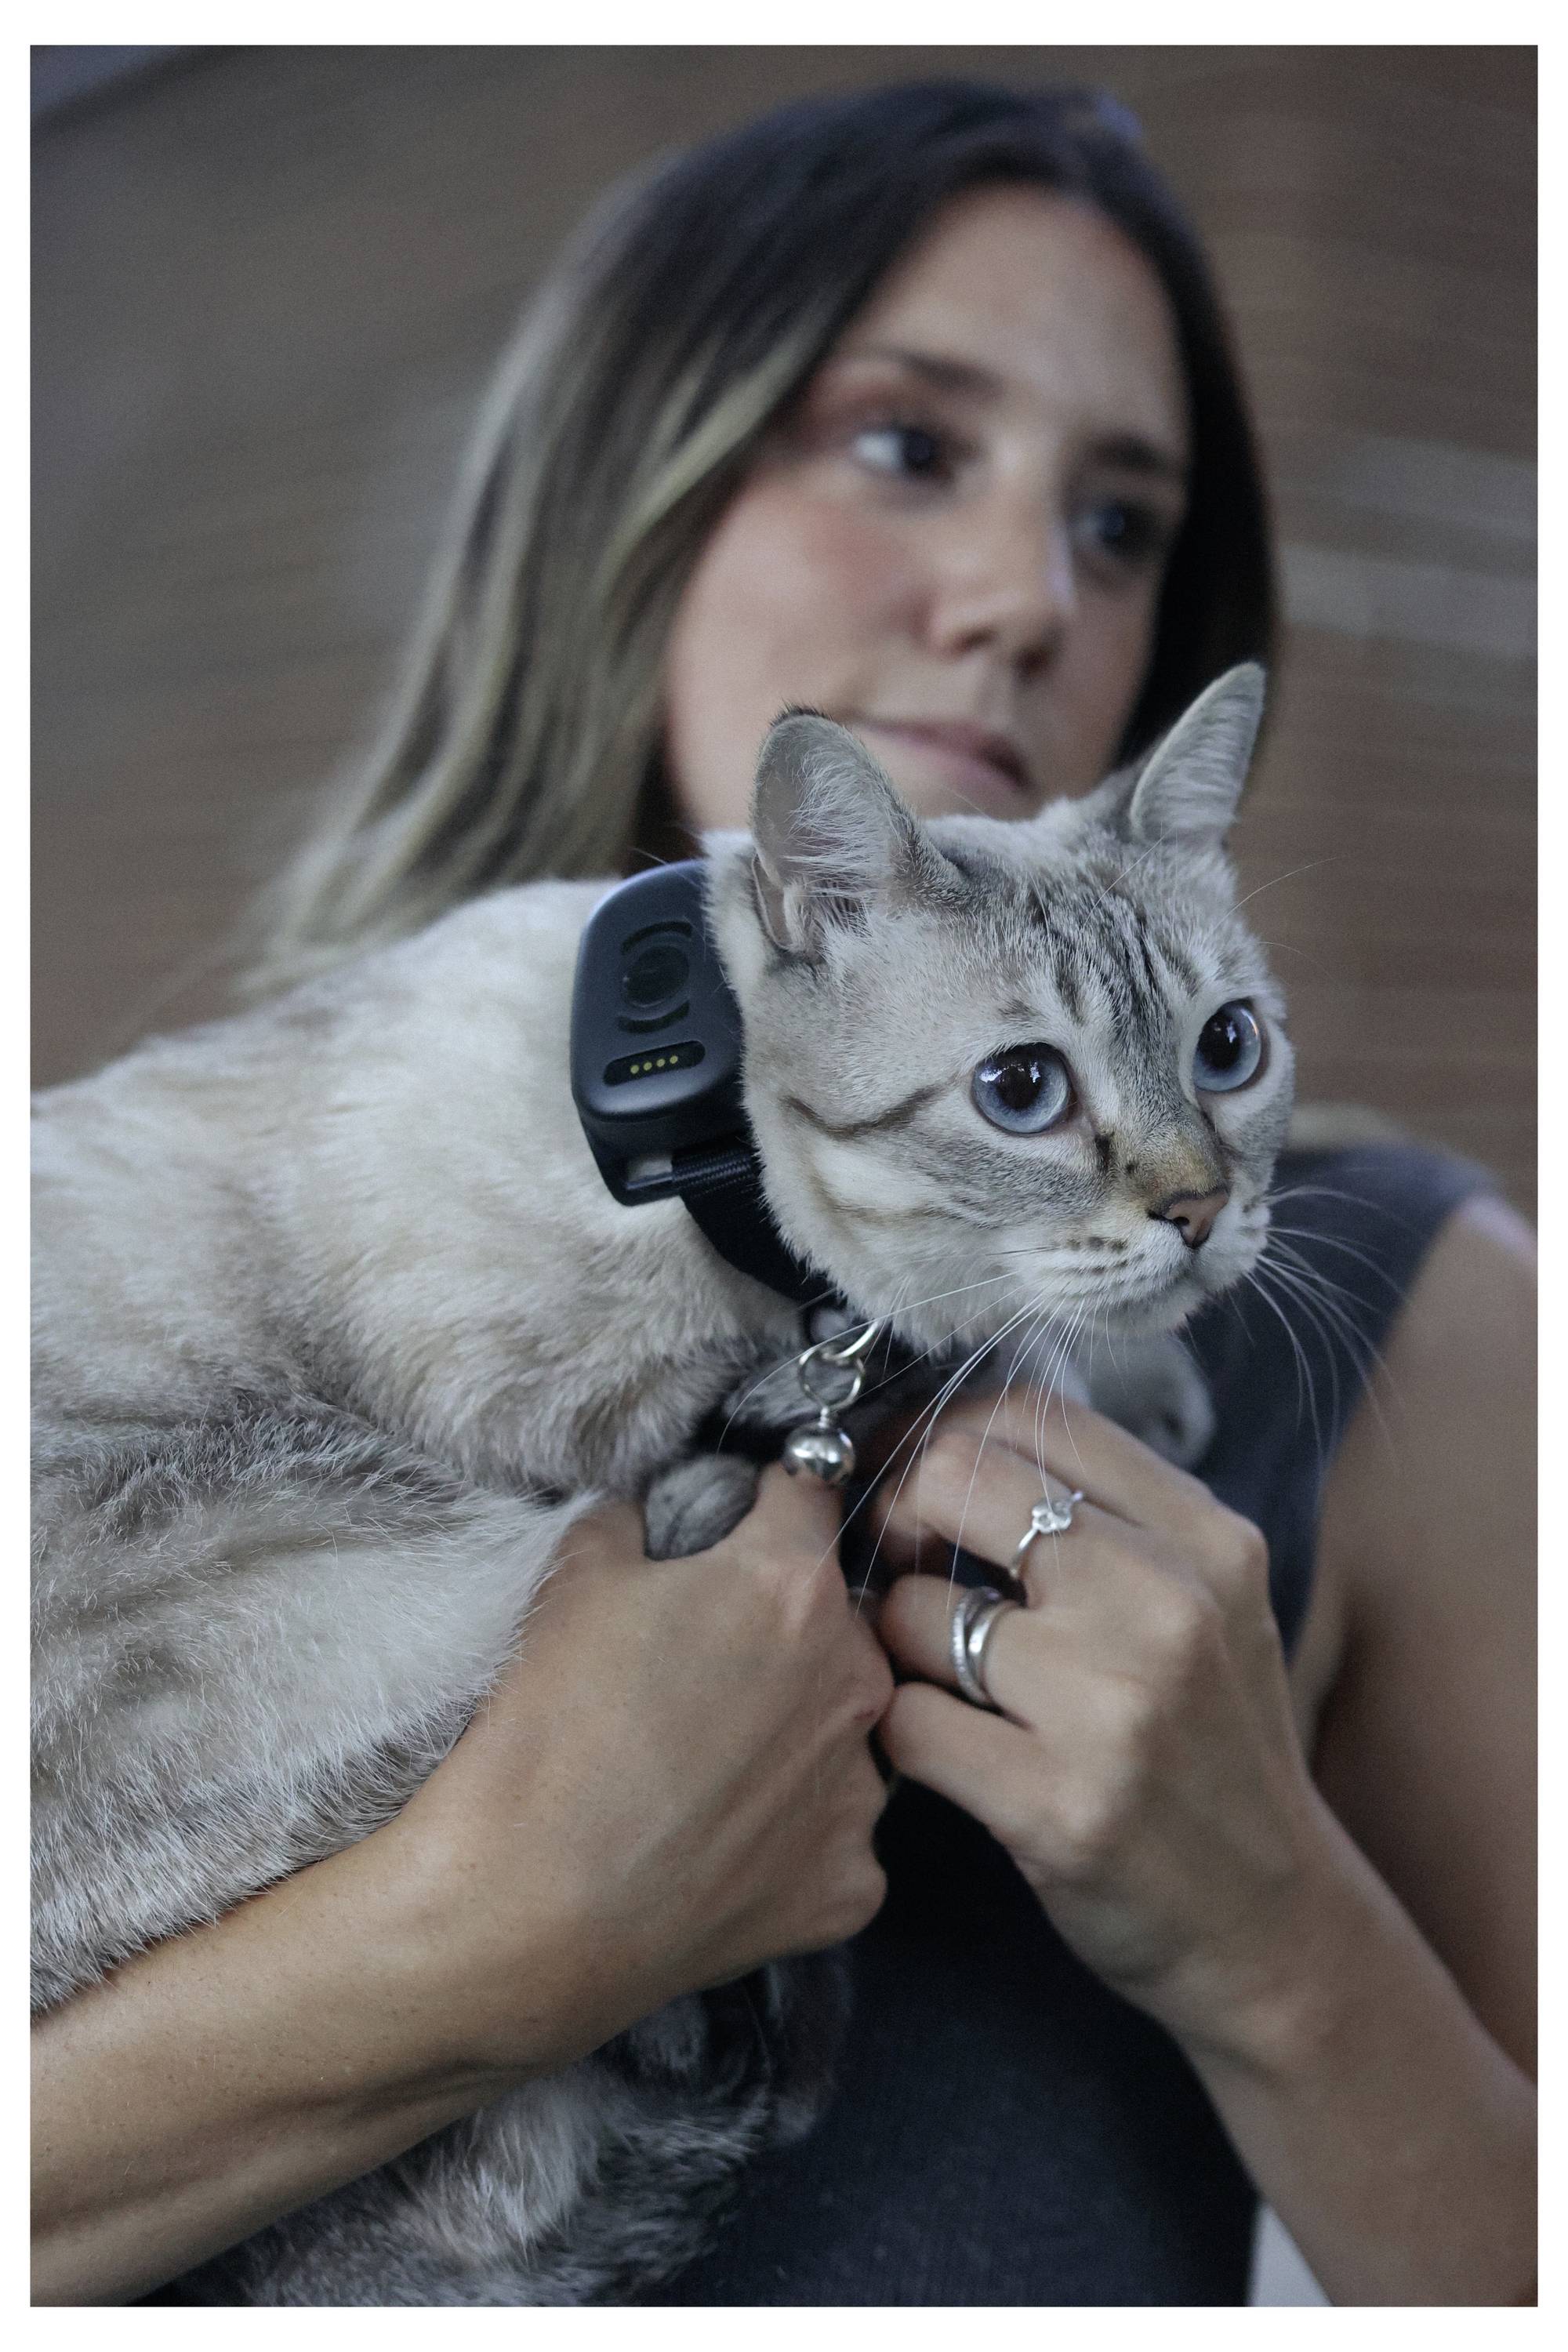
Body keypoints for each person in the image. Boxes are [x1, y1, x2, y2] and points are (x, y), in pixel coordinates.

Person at [31, 82, 1534, 2307]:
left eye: (1122, 527)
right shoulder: (250, 1190)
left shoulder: (1404, 1311)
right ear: (632, 484)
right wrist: (503, 1926)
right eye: (910, 447)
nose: (1026, 599)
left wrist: (1272, 1931)